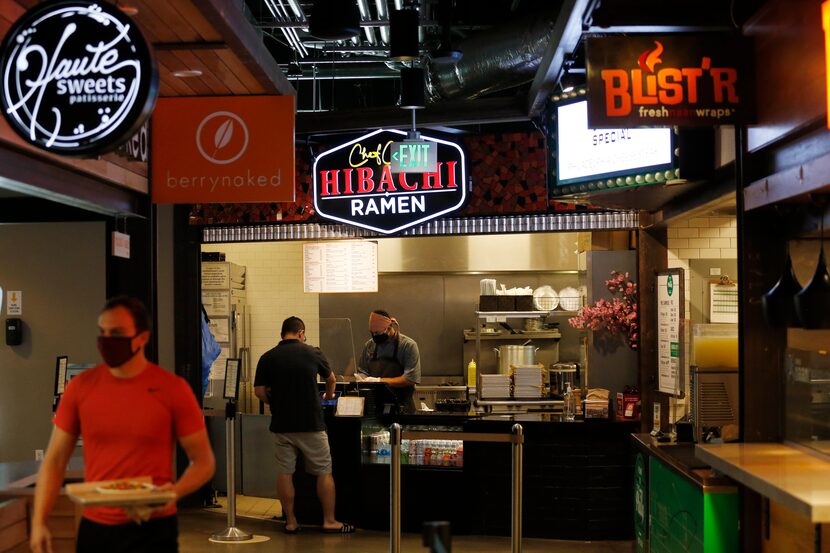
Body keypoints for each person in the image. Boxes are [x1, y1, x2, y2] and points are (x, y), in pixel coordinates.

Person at [30, 296, 215, 553]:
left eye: (116, 333)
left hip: (154, 527)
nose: (107, 340)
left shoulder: (172, 389)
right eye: (102, 332)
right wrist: (39, 521)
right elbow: (55, 460)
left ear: (142, 337)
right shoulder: (80, 388)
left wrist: (173, 493)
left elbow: (204, 462)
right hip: (97, 526)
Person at [253, 316, 354, 534]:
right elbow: (331, 379)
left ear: (282, 334)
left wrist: (276, 402)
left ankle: (290, 521)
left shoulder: (267, 357)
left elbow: (259, 392)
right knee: (324, 471)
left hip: (282, 425)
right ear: (301, 332)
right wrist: (326, 396)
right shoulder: (312, 352)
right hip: (311, 424)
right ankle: (329, 521)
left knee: (285, 473)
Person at [356, 310, 421, 414]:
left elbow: (410, 378)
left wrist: (379, 381)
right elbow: (363, 370)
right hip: (375, 407)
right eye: (372, 333)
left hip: (402, 408)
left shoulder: (407, 346)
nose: (374, 336)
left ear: (389, 328)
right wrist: (362, 378)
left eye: (377, 333)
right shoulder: (369, 345)